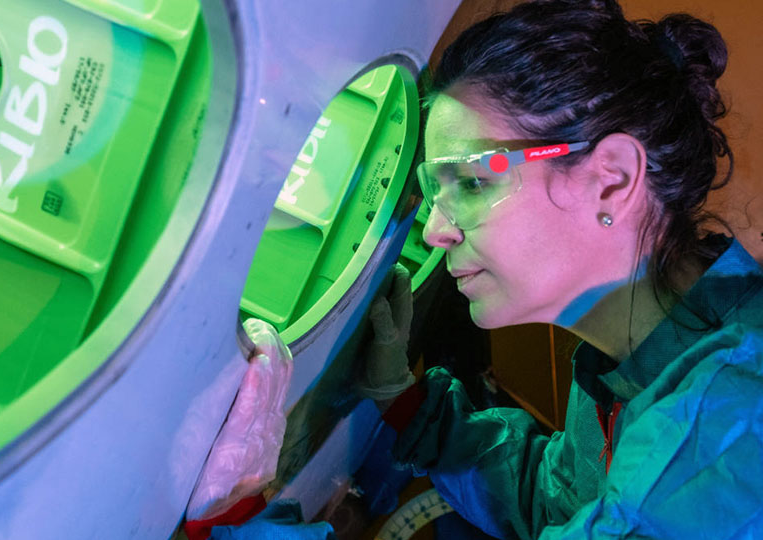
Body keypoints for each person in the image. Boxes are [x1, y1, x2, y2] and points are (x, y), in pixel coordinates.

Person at [202, 0, 763, 537]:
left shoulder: (723, 432)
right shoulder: (648, 349)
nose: (433, 231)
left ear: (610, 179)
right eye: (433, 192)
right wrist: (407, 402)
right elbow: (564, 501)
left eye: (472, 182)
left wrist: (237, 521)